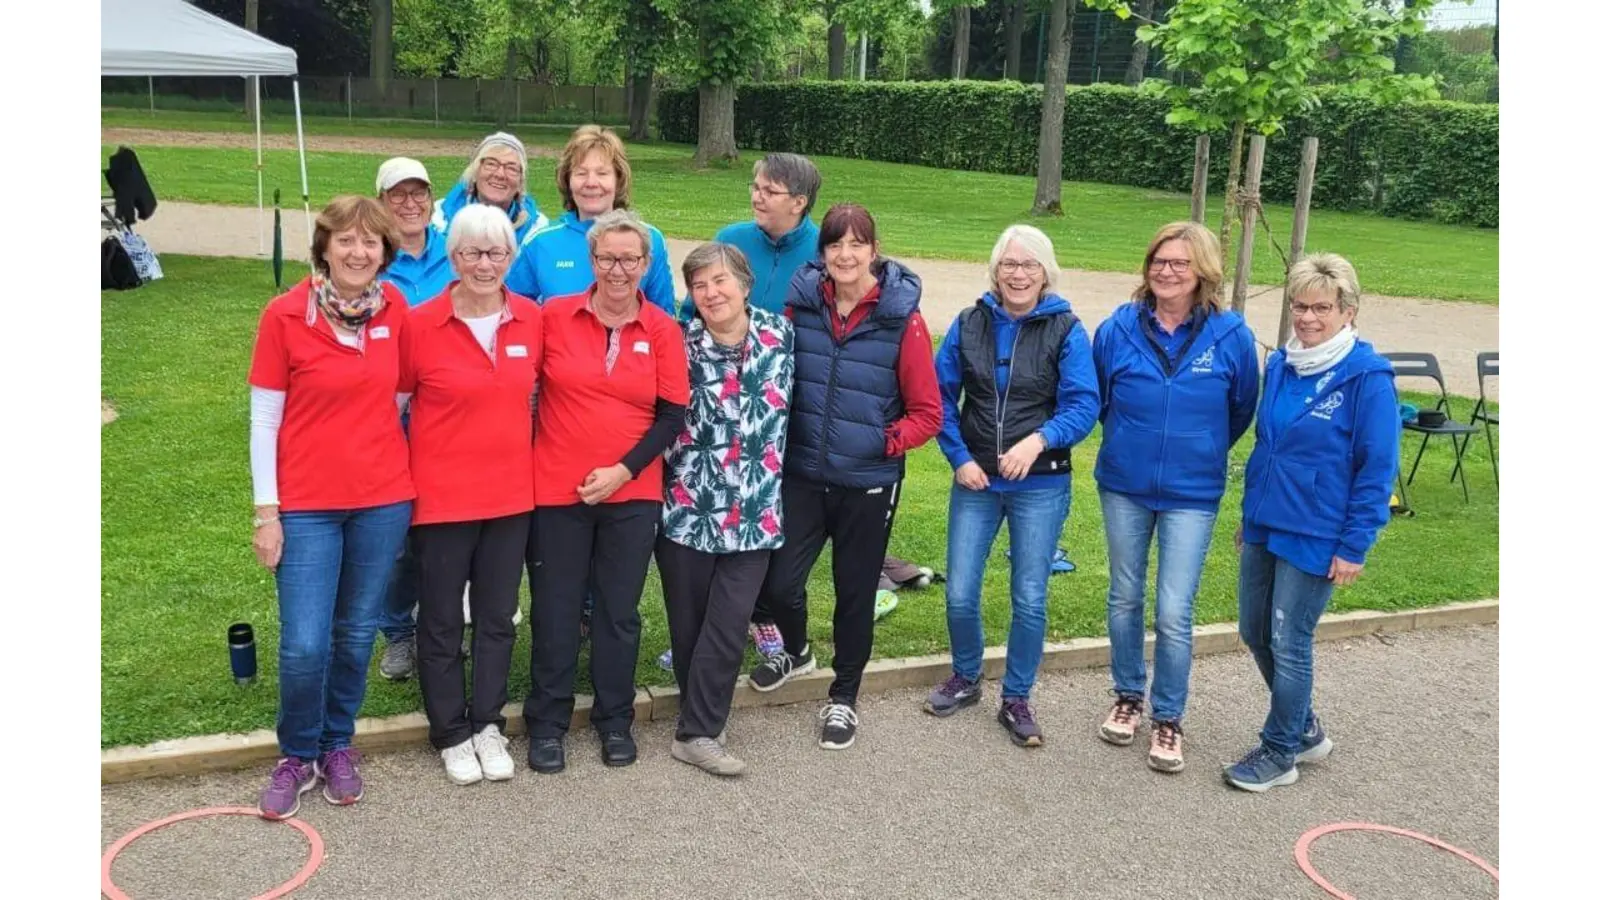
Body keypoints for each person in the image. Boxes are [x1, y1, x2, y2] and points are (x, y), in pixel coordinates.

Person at [749, 203, 942, 751]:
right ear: (823, 252)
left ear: (874, 251)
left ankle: (844, 695)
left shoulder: (902, 319)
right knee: (779, 583)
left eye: (857, 244)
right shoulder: (801, 307)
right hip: (803, 474)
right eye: (835, 244)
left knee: (854, 593)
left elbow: (928, 413)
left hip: (868, 482)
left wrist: (880, 442)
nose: (846, 254)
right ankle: (796, 651)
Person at [247, 196, 414, 819]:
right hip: (306, 505)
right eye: (345, 240)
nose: (358, 252)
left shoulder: (397, 312)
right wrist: (267, 513)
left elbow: (401, 396)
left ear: (385, 253)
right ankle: (297, 753)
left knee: (355, 635)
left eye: (370, 242)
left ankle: (337, 744)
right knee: (304, 644)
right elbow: (264, 419)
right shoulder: (285, 314)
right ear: (324, 247)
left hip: (381, 501)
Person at [523, 209, 690, 774]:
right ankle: (547, 722)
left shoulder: (662, 329)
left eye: (629, 259)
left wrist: (623, 471)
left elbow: (672, 415)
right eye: (607, 258)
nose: (618, 270)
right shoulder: (554, 316)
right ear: (591, 260)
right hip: (557, 490)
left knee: (619, 613)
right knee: (556, 609)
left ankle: (615, 719)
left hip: (632, 493)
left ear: (646, 264)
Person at [1091, 222, 1261, 773]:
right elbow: (1099, 398)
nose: (1166, 271)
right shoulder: (1117, 328)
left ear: (1203, 271)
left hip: (1193, 492)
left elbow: (1241, 409)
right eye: (1158, 261)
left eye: (1180, 263)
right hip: (1125, 485)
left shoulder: (1231, 336)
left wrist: (1200, 448)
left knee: (1173, 609)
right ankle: (1127, 696)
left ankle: (1168, 717)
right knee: (1124, 596)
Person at [1226, 253, 1400, 792]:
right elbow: (1267, 447)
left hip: (1318, 531)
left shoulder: (1367, 378)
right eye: (1300, 307)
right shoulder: (1282, 364)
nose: (1307, 318)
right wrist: (1249, 515)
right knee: (1254, 631)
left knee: (1289, 640)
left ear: (1348, 312)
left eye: (1321, 308)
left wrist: (1355, 544)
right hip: (1266, 522)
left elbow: (1377, 468)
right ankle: (1303, 728)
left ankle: (1280, 751)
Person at [924, 225, 1099, 747]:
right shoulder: (968, 323)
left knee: (1029, 596)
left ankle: (1017, 696)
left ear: (1046, 272)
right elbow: (938, 397)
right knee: (960, 591)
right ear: (995, 271)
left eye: (1029, 265)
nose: (1018, 274)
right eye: (1009, 264)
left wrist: (1038, 441)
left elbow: (1083, 405)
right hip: (976, 481)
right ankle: (966, 676)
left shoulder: (1067, 330)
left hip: (1040, 484)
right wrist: (958, 457)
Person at [399, 204, 542, 786]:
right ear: (453, 258)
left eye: (497, 253)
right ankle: (450, 731)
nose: (485, 264)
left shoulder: (532, 319)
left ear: (511, 257)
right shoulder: (419, 324)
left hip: (510, 496)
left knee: (497, 615)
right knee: (439, 619)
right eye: (472, 253)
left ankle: (486, 722)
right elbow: (392, 406)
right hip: (441, 498)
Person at [658, 243, 795, 776]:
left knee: (730, 621)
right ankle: (700, 719)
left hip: (755, 509)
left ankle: (697, 733)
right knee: (689, 626)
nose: (711, 293)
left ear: (744, 283)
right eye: (699, 285)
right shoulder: (678, 345)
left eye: (720, 281)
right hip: (689, 509)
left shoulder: (782, 336)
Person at [697, 152, 823, 660]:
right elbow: (695, 307)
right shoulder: (732, 238)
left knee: (770, 518)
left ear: (799, 202)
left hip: (791, 404)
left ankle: (763, 615)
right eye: (755, 186)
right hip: (722, 400)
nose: (756, 196)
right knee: (715, 509)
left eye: (769, 191)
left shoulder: (822, 252)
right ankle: (707, 624)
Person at [372, 156, 453, 682]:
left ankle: (441, 625)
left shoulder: (455, 253)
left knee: (446, 535)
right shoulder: (372, 261)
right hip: (392, 422)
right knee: (399, 542)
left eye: (418, 192)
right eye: (397, 194)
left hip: (452, 422)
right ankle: (398, 632)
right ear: (381, 201)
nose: (409, 203)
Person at [505, 124, 674, 315]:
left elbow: (664, 318)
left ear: (618, 179)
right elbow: (512, 315)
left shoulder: (649, 239)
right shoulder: (540, 242)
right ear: (568, 180)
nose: (591, 183)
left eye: (602, 173)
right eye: (581, 173)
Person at [432, 132, 548, 246]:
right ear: (475, 173)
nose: (500, 174)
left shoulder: (538, 231)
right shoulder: (437, 219)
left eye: (511, 168)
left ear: (520, 183)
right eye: (491, 164)